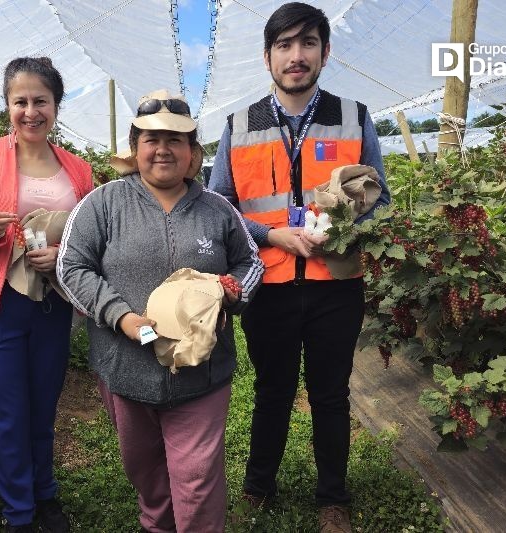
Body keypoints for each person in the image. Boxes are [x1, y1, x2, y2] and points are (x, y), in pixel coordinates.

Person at [207, 3, 391, 533]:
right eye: (284, 45)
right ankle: (258, 486)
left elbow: (379, 196)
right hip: (271, 284)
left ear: (324, 52)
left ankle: (333, 496)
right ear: (268, 57)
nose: (296, 55)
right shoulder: (239, 125)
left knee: (331, 393)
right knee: (273, 391)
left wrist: (344, 225)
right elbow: (221, 208)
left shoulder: (354, 116)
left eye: (308, 43)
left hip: (337, 281)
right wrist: (272, 234)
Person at [57, 89, 263, 533]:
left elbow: (250, 262)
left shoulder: (217, 210)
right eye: (151, 139)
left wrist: (232, 291)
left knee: (197, 478)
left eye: (176, 139)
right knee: (145, 472)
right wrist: (122, 317)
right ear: (135, 147)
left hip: (201, 372)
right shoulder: (104, 204)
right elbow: (71, 266)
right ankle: (157, 523)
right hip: (125, 367)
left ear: (192, 152)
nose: (163, 149)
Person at [0, 57, 93, 533]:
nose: (31, 111)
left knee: (43, 406)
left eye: (40, 101)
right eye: (20, 101)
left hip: (51, 305)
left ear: (56, 105)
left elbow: (89, 240)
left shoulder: (78, 170)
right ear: (7, 105)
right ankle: (19, 513)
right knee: (7, 414)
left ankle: (45, 494)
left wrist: (63, 261)